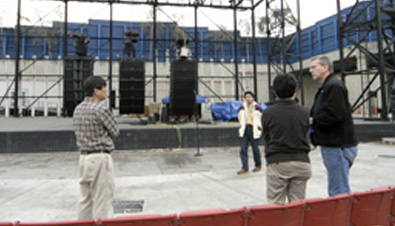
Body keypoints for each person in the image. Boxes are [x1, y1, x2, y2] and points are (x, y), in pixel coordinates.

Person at [309, 55, 358, 197]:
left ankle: (341, 217)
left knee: (338, 191)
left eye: (314, 67)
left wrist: (313, 121)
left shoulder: (333, 86)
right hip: (333, 146)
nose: (311, 70)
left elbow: (336, 115)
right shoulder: (327, 87)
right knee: (337, 187)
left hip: (338, 147)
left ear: (325, 67)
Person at [73, 76, 120, 219]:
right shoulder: (100, 109)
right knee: (103, 201)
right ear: (96, 91)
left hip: (84, 158)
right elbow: (115, 131)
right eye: (104, 87)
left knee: (85, 200)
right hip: (100, 157)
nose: (106, 90)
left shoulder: (78, 109)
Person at [262, 74, 311, 204]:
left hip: (278, 162)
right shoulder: (305, 112)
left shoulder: (268, 113)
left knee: (275, 205)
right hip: (301, 162)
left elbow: (267, 137)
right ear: (295, 90)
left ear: (275, 92)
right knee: (298, 205)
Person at [237, 91, 264, 175]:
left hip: (254, 128)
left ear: (253, 98)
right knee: (243, 149)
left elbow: (262, 117)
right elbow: (239, 116)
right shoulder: (242, 107)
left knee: (255, 148)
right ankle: (244, 167)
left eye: (249, 97)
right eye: (246, 97)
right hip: (245, 128)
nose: (248, 98)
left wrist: (259, 126)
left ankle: (258, 165)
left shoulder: (257, 107)